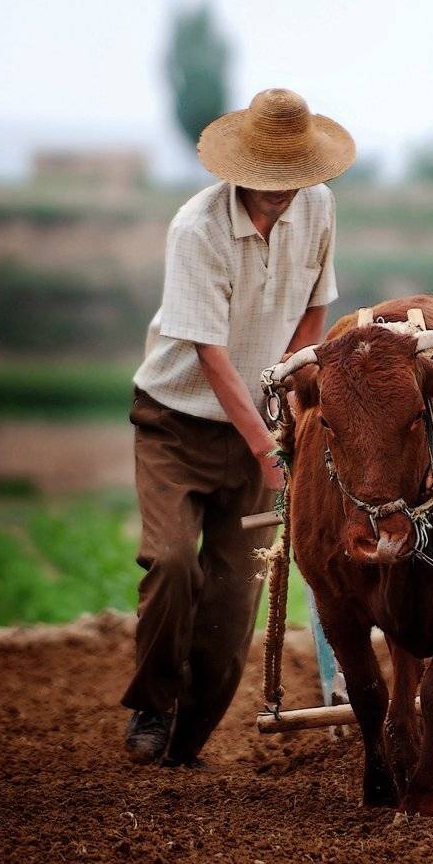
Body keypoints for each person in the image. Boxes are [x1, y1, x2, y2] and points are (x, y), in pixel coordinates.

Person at [122, 88, 355, 767]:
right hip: (176, 421)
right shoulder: (197, 230)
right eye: (267, 183)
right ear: (239, 169)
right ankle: (152, 703)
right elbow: (210, 355)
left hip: (260, 424)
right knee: (169, 562)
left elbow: (317, 308)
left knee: (232, 607)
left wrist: (287, 388)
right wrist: (266, 448)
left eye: (292, 182)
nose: (279, 195)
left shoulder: (319, 208)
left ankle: (185, 739)